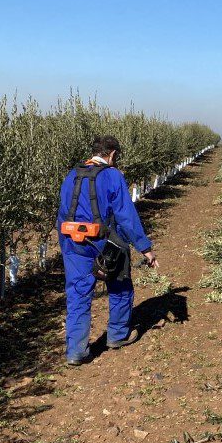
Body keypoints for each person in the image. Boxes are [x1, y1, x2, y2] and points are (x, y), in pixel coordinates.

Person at [57, 135, 158, 365]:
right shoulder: (113, 176)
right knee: (120, 286)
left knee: (77, 295)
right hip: (107, 244)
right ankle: (117, 335)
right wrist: (145, 248)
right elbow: (126, 216)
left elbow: (61, 214)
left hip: (74, 243)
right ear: (112, 154)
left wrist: (65, 247)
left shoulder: (72, 175)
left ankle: (76, 352)